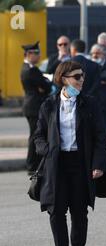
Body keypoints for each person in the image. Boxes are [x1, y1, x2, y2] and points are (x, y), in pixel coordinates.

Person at [33, 61, 106, 246]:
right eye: (76, 76)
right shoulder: (48, 104)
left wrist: (98, 164)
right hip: (56, 164)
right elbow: (38, 135)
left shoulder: (89, 103)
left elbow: (100, 137)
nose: (81, 80)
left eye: (82, 76)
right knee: (55, 211)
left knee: (79, 212)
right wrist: (47, 150)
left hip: (81, 164)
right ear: (63, 78)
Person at [20, 41, 52, 175]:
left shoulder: (31, 68)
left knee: (36, 135)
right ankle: (32, 165)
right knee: (35, 136)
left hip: (33, 105)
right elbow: (46, 86)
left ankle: (35, 164)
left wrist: (44, 85)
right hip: (33, 106)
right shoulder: (30, 70)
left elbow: (44, 85)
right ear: (29, 54)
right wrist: (46, 84)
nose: (39, 56)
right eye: (36, 53)